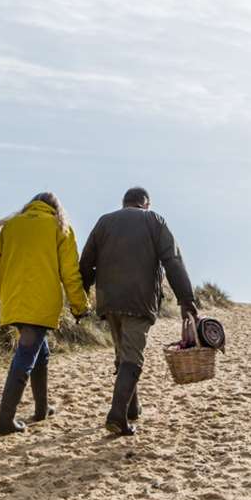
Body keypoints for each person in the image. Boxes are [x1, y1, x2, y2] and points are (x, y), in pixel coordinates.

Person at [79, 187, 197, 436]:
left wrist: (80, 295)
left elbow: (86, 261)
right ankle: (117, 415)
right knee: (132, 356)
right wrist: (186, 299)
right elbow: (172, 260)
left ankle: (132, 409)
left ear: (124, 203)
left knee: (123, 353)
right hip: (139, 301)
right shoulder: (154, 220)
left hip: (109, 300)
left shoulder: (105, 221)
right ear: (146, 204)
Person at [0, 192, 89, 435]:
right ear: (55, 208)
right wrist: (80, 306)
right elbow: (70, 272)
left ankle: (41, 409)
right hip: (40, 302)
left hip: (15, 300)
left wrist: (8, 295)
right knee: (26, 354)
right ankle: (5, 421)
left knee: (40, 352)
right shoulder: (59, 227)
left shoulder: (11, 226)